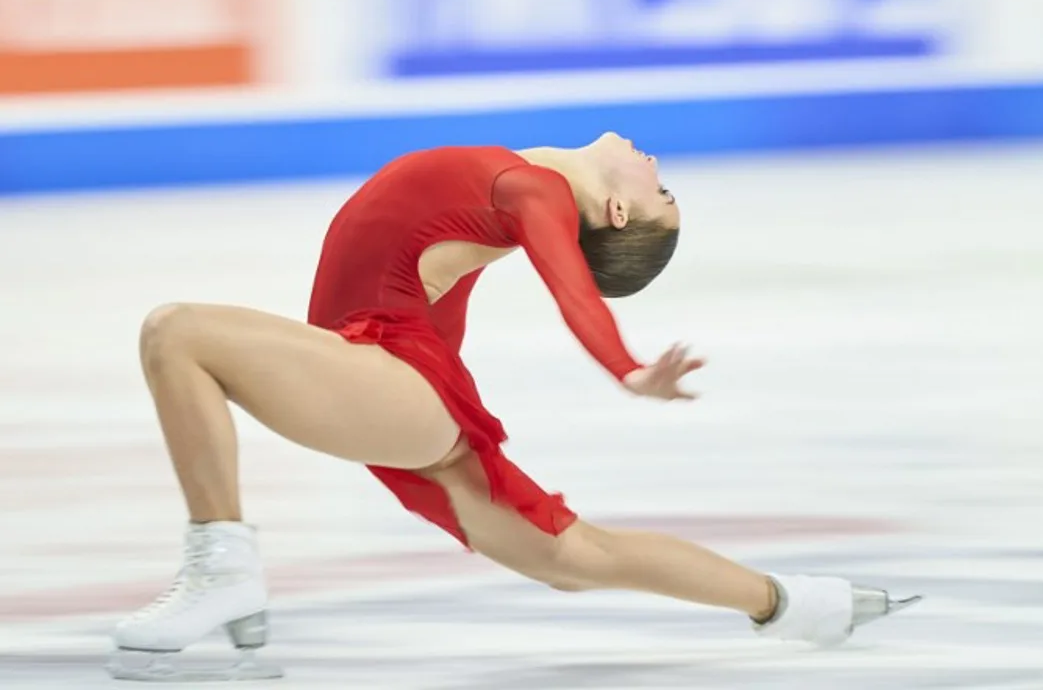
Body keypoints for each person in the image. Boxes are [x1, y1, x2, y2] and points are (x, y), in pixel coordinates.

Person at [107, 133, 919, 681]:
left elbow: (573, 292)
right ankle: (798, 604)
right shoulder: (510, 190)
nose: (655, 165)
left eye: (661, 190)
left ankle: (224, 569)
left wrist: (626, 370)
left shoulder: (531, 190)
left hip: (390, 378)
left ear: (616, 212)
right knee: (578, 559)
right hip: (385, 382)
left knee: (177, 333)